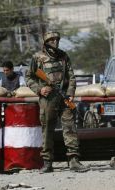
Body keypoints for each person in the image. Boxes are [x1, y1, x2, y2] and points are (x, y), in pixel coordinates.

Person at [26, 31, 88, 173]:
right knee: (47, 130)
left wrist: (71, 93)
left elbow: (71, 76)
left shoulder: (64, 56)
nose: (55, 42)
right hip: (48, 99)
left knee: (70, 128)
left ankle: (73, 160)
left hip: (64, 97)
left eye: (57, 39)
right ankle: (47, 162)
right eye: (52, 39)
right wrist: (40, 89)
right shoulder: (37, 58)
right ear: (46, 42)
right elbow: (29, 77)